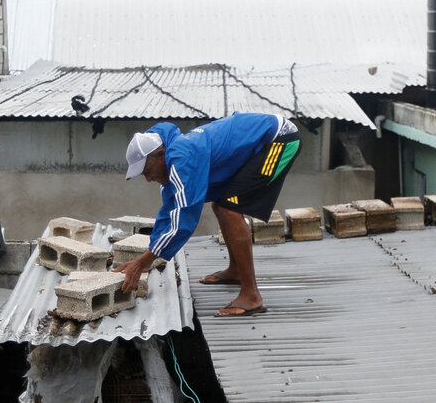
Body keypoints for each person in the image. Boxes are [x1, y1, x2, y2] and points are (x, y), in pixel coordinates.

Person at [113, 112, 300, 317]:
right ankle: (236, 270)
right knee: (221, 206)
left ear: (160, 154)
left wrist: (144, 261)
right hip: (258, 143)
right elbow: (170, 211)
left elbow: (185, 218)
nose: (149, 179)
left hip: (278, 139)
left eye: (147, 171)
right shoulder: (173, 161)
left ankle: (251, 296)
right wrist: (149, 253)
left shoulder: (182, 160)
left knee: (230, 210)